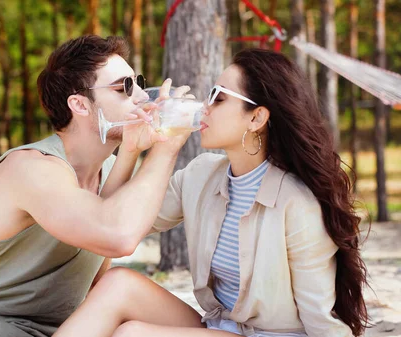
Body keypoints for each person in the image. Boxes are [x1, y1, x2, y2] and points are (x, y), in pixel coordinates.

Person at [53, 48, 370, 337]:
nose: (204, 107)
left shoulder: (296, 202)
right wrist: (132, 149)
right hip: (219, 327)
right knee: (118, 284)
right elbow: (108, 224)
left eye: (218, 98)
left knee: (134, 334)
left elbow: (321, 320)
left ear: (257, 117)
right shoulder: (201, 175)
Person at [0, 35, 193, 337]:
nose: (142, 96)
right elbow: (117, 237)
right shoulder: (30, 168)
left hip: (56, 330)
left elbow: (101, 247)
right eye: (125, 87)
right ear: (79, 104)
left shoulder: (113, 170)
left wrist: (130, 153)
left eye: (138, 82)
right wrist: (167, 145)